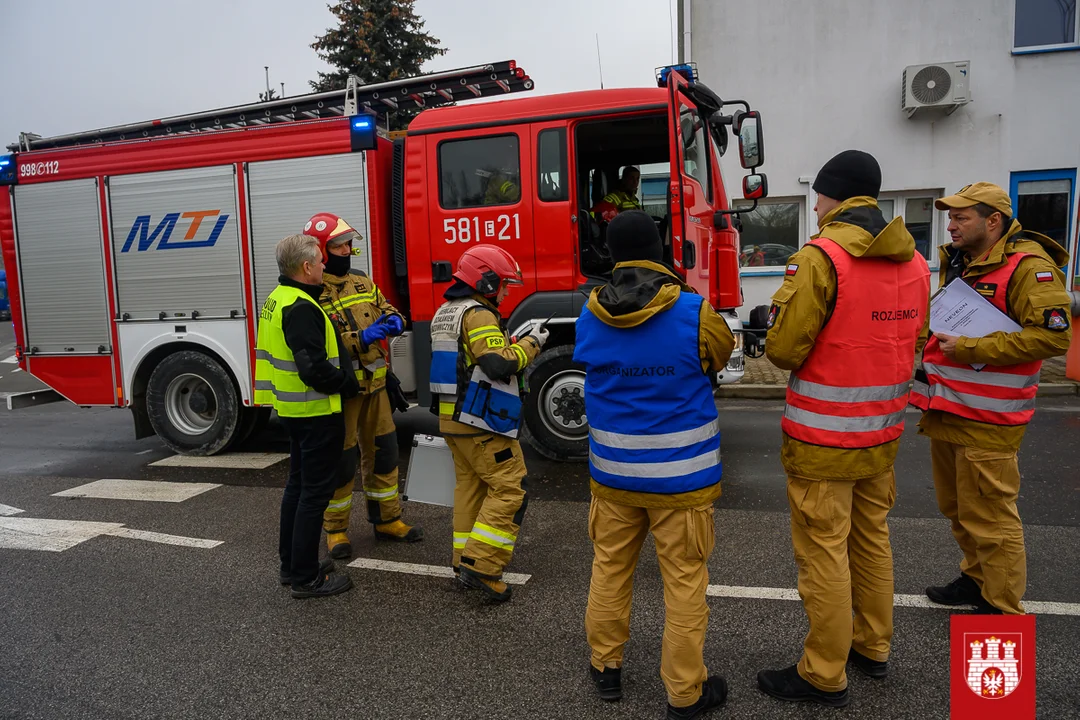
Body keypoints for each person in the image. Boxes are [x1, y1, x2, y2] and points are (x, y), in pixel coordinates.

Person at [758, 150, 930, 706]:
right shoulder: (916, 263)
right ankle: (872, 647)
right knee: (872, 541)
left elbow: (784, 351)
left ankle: (823, 672)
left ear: (830, 197)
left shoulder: (821, 256)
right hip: (882, 436)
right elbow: (917, 343)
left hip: (822, 440)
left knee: (824, 553)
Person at [574, 210, 735, 719]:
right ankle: (685, 694)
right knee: (684, 583)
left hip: (614, 477)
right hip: (681, 481)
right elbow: (718, 357)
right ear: (661, 248)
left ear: (612, 253)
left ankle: (606, 670)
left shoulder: (590, 313)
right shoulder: (695, 311)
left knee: (610, 570)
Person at [911, 182, 1072, 614]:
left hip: (989, 419)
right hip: (949, 408)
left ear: (993, 220)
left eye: (961, 217)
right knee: (960, 509)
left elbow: (1055, 338)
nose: (951, 225)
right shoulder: (963, 262)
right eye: (951, 217)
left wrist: (970, 348)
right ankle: (976, 579)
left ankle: (1000, 607)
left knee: (992, 518)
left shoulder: (1029, 267)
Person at [428, 245, 548, 602]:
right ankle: (482, 567)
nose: (506, 291)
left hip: (452, 420)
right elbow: (496, 365)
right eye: (504, 284)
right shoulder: (478, 314)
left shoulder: (446, 311)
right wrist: (531, 345)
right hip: (480, 420)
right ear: (486, 279)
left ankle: (462, 559)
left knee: (471, 489)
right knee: (512, 488)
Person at [303, 213, 422, 559]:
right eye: (339, 245)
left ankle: (387, 520)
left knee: (384, 454)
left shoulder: (361, 280)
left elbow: (386, 308)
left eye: (349, 243)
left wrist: (395, 320)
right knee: (341, 462)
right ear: (322, 251)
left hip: (377, 385)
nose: (347, 249)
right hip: (344, 391)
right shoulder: (313, 292)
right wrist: (362, 337)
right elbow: (324, 344)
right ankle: (336, 530)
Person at [254, 233, 359, 599]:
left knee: (298, 489)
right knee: (314, 494)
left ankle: (294, 565)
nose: (326, 264)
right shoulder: (300, 306)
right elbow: (313, 369)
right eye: (320, 259)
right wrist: (346, 383)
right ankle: (305, 576)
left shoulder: (278, 298)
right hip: (315, 412)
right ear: (306, 267)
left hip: (295, 411)